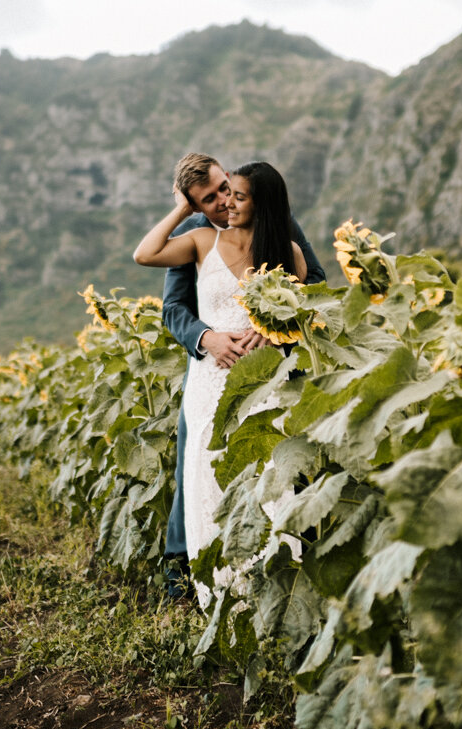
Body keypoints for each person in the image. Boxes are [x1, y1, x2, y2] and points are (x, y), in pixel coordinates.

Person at [135, 155, 325, 605]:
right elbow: (172, 308)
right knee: (199, 476)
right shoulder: (196, 237)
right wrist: (207, 338)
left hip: (267, 374)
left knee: (271, 469)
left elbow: (310, 283)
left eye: (227, 189)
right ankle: (191, 585)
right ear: (196, 205)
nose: (224, 202)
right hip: (209, 372)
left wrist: (273, 327)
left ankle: (279, 579)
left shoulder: (274, 221)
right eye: (211, 199)